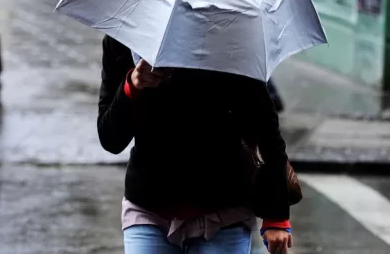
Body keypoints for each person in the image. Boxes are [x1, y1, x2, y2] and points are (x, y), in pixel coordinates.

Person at [98, 36, 295, 253]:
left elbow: (264, 130)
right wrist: (131, 88)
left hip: (223, 209)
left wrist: (276, 216)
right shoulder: (124, 39)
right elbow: (111, 139)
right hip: (149, 207)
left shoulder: (230, 37)